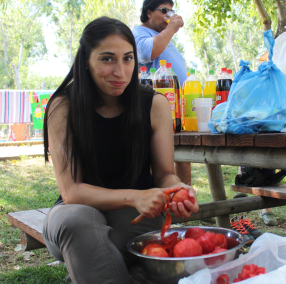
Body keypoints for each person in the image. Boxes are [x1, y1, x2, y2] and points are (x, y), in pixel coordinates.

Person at [42, 16, 199, 284]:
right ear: (86, 62)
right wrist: (135, 197)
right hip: (74, 216)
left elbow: (164, 174)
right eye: (107, 59)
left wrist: (176, 190)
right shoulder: (62, 107)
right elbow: (72, 192)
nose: (121, 71)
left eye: (128, 58)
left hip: (135, 220)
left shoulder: (155, 104)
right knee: (78, 222)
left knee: (96, 255)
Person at [132, 0, 191, 185]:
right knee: (158, 159)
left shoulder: (164, 36)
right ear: (149, 12)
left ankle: (185, 201)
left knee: (182, 157)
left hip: (177, 107)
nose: (168, 15)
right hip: (156, 108)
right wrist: (172, 28)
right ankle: (164, 202)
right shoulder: (140, 32)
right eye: (164, 10)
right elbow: (146, 52)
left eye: (171, 12)